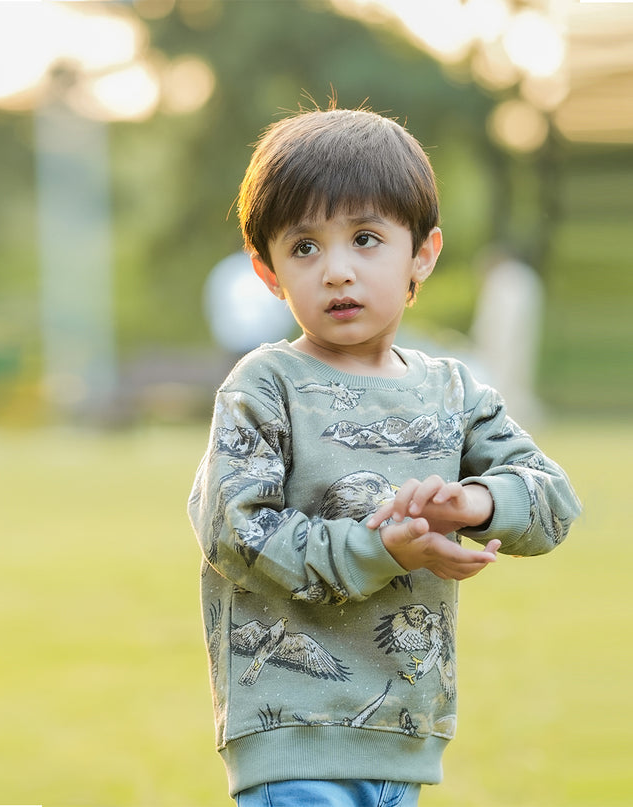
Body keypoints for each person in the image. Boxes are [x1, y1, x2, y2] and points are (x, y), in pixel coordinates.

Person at [187, 106, 581, 807]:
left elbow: (554, 500)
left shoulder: (451, 389)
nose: (336, 271)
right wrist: (390, 551)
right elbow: (236, 533)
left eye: (364, 238)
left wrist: (475, 501)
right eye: (304, 247)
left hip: (404, 735)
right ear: (267, 270)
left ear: (420, 254)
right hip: (294, 737)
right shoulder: (263, 386)